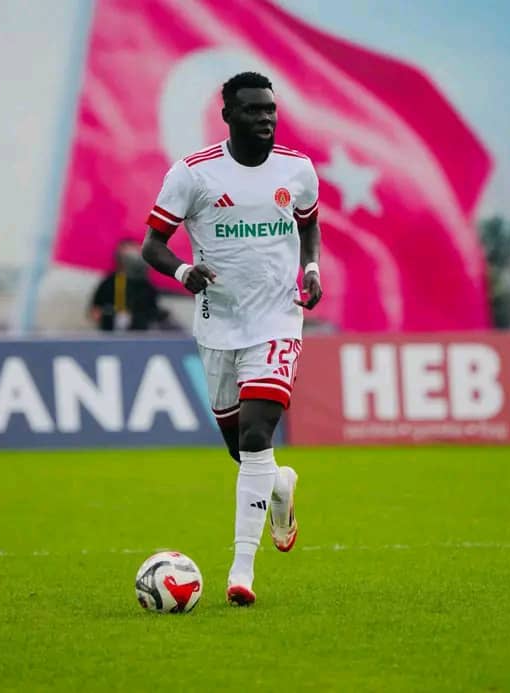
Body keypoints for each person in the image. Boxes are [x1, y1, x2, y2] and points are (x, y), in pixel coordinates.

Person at [141, 71, 322, 606]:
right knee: (241, 450)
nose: (265, 118)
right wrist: (182, 271)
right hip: (218, 326)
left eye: (270, 109)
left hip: (277, 320)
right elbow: (152, 244)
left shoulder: (297, 169)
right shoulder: (193, 174)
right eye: (253, 110)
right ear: (227, 116)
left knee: (256, 435)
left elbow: (309, 224)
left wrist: (312, 269)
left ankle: (241, 572)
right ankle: (279, 485)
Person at [89, 238, 178, 332]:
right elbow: (95, 311)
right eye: (126, 254)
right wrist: (110, 316)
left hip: (139, 334)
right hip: (112, 333)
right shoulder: (110, 282)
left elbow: (152, 312)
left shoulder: (145, 285)